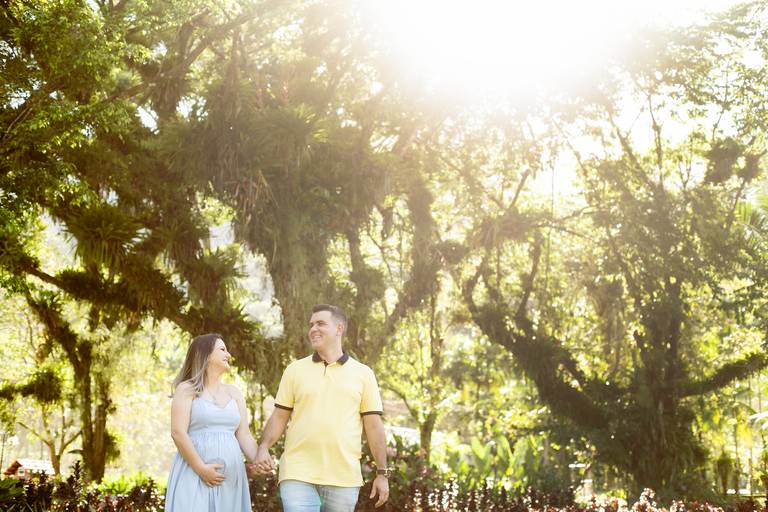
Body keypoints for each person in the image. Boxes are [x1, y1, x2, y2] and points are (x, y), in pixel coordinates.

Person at [252, 304, 390, 512]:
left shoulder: (363, 374)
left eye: (321, 323)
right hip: (297, 471)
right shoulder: (294, 370)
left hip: (343, 476)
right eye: (311, 324)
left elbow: (373, 426)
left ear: (339, 329)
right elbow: (279, 417)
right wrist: (263, 447)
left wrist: (382, 473)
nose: (313, 329)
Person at [165, 333, 256, 512]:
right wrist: (201, 468)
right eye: (222, 349)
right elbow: (178, 432)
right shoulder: (187, 389)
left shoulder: (234, 393)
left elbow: (244, 435)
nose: (228, 355)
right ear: (205, 355)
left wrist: (260, 459)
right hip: (194, 474)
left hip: (231, 483)